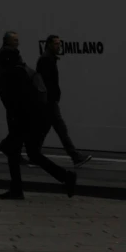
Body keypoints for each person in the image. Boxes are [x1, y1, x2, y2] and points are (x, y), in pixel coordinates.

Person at [0, 29, 75, 199]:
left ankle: (17, 189)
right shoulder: (12, 58)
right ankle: (65, 177)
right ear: (7, 41)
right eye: (14, 40)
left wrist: (13, 109)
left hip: (18, 112)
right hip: (26, 111)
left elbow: (8, 88)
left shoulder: (8, 58)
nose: (17, 42)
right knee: (30, 152)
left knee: (14, 149)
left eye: (17, 39)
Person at [36, 36, 88, 166]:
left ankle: (34, 154)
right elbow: (45, 82)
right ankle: (75, 156)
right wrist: (51, 97)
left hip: (48, 101)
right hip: (49, 101)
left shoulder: (48, 59)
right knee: (61, 129)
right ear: (48, 45)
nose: (58, 46)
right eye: (56, 44)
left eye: (59, 44)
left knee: (43, 130)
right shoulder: (46, 60)